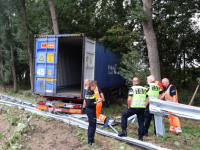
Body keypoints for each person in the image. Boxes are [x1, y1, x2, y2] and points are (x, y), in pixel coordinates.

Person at [83, 80, 100, 145]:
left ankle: (91, 141)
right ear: (92, 86)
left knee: (92, 125)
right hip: (90, 110)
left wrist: (97, 99)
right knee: (92, 126)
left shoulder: (91, 92)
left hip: (91, 110)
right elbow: (89, 104)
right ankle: (90, 142)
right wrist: (97, 102)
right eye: (95, 86)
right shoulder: (89, 93)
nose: (96, 87)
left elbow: (92, 100)